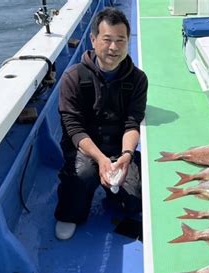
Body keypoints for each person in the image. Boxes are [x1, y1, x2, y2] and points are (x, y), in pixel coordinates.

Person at [54, 7, 148, 240]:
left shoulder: (137, 79)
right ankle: (72, 209)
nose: (114, 48)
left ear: (128, 41)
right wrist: (100, 160)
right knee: (82, 174)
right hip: (85, 149)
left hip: (118, 148)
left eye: (121, 40)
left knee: (134, 201)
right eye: (107, 40)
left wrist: (126, 154)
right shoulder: (73, 78)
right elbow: (73, 128)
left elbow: (132, 121)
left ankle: (113, 190)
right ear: (93, 39)